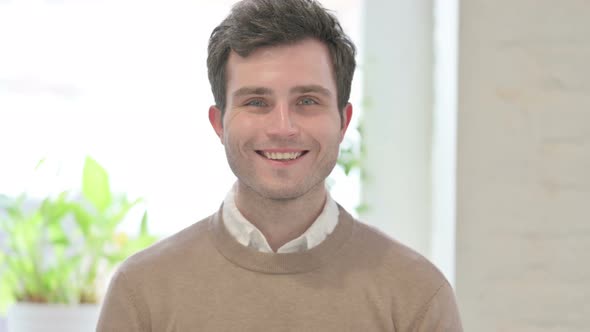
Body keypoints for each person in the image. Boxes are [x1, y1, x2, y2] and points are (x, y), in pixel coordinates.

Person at [96, 0, 463, 331]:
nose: (283, 128)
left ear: (343, 121)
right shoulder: (141, 292)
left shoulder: (417, 295)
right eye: (256, 102)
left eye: (307, 100)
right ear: (219, 123)